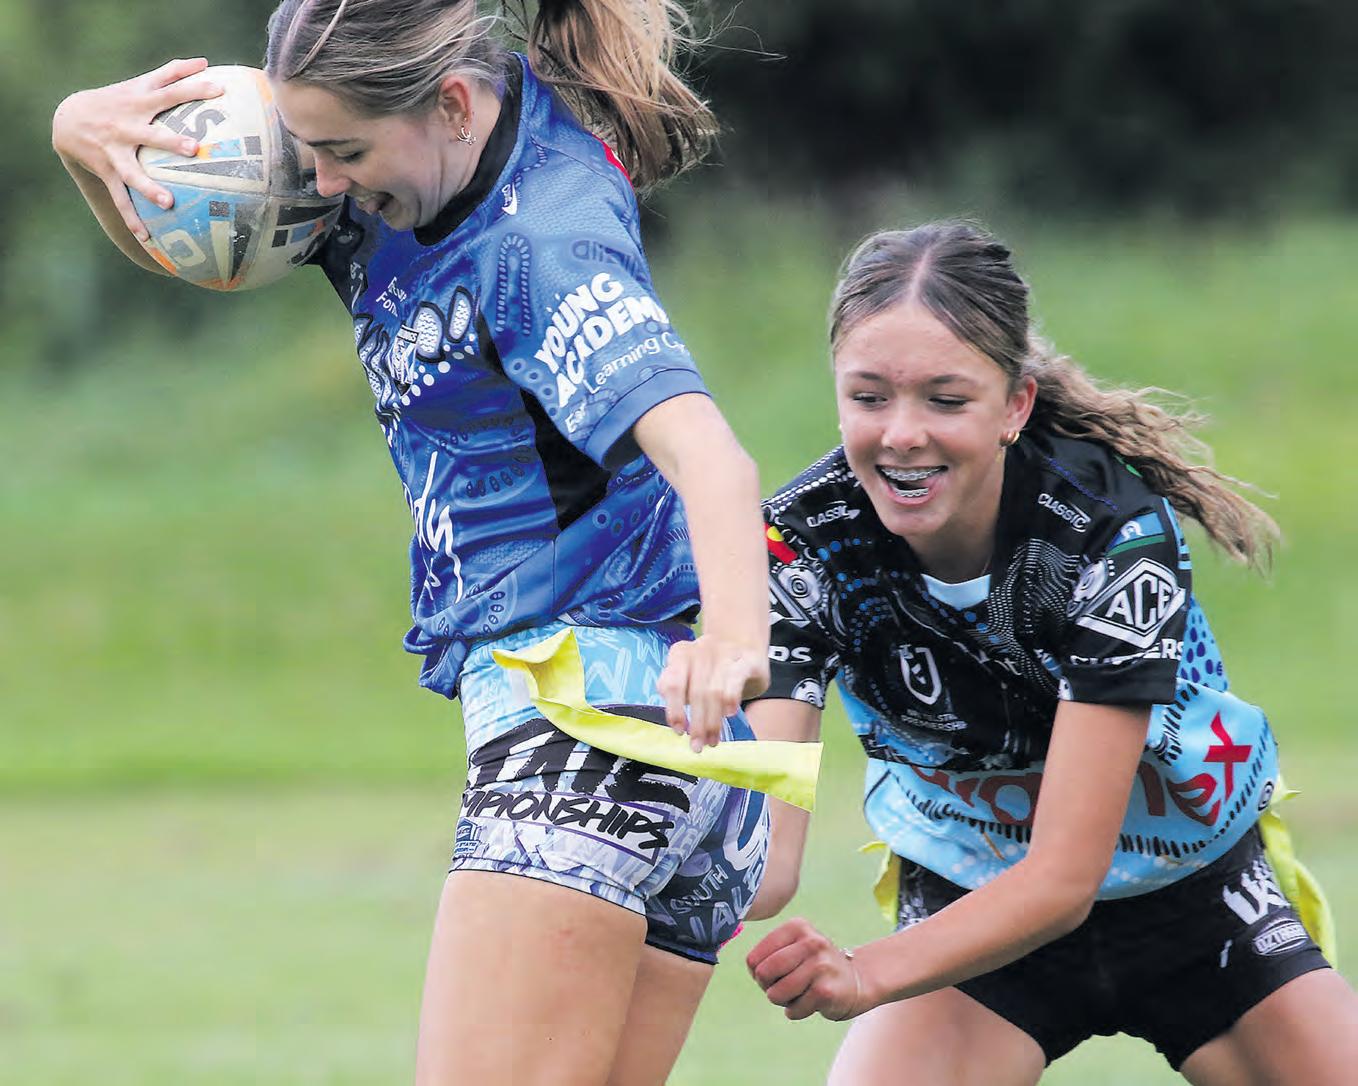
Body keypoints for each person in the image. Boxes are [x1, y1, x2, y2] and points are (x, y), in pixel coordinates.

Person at [51, 3, 777, 1083]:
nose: (322, 185)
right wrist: (81, 138)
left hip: (585, 733)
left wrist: (735, 642)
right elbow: (211, 241)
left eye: (343, 154)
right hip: (680, 767)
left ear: (449, 102)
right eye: (308, 151)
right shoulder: (411, 159)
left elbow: (713, 460)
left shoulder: (541, 246)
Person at [741, 220, 1358, 1084]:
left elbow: (1064, 879)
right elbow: (762, 859)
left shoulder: (1108, 529)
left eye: (946, 401)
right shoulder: (801, 540)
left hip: (1190, 892)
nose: (901, 435)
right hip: (970, 904)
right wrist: (644, 799)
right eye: (869, 397)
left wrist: (865, 973)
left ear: (1015, 405)